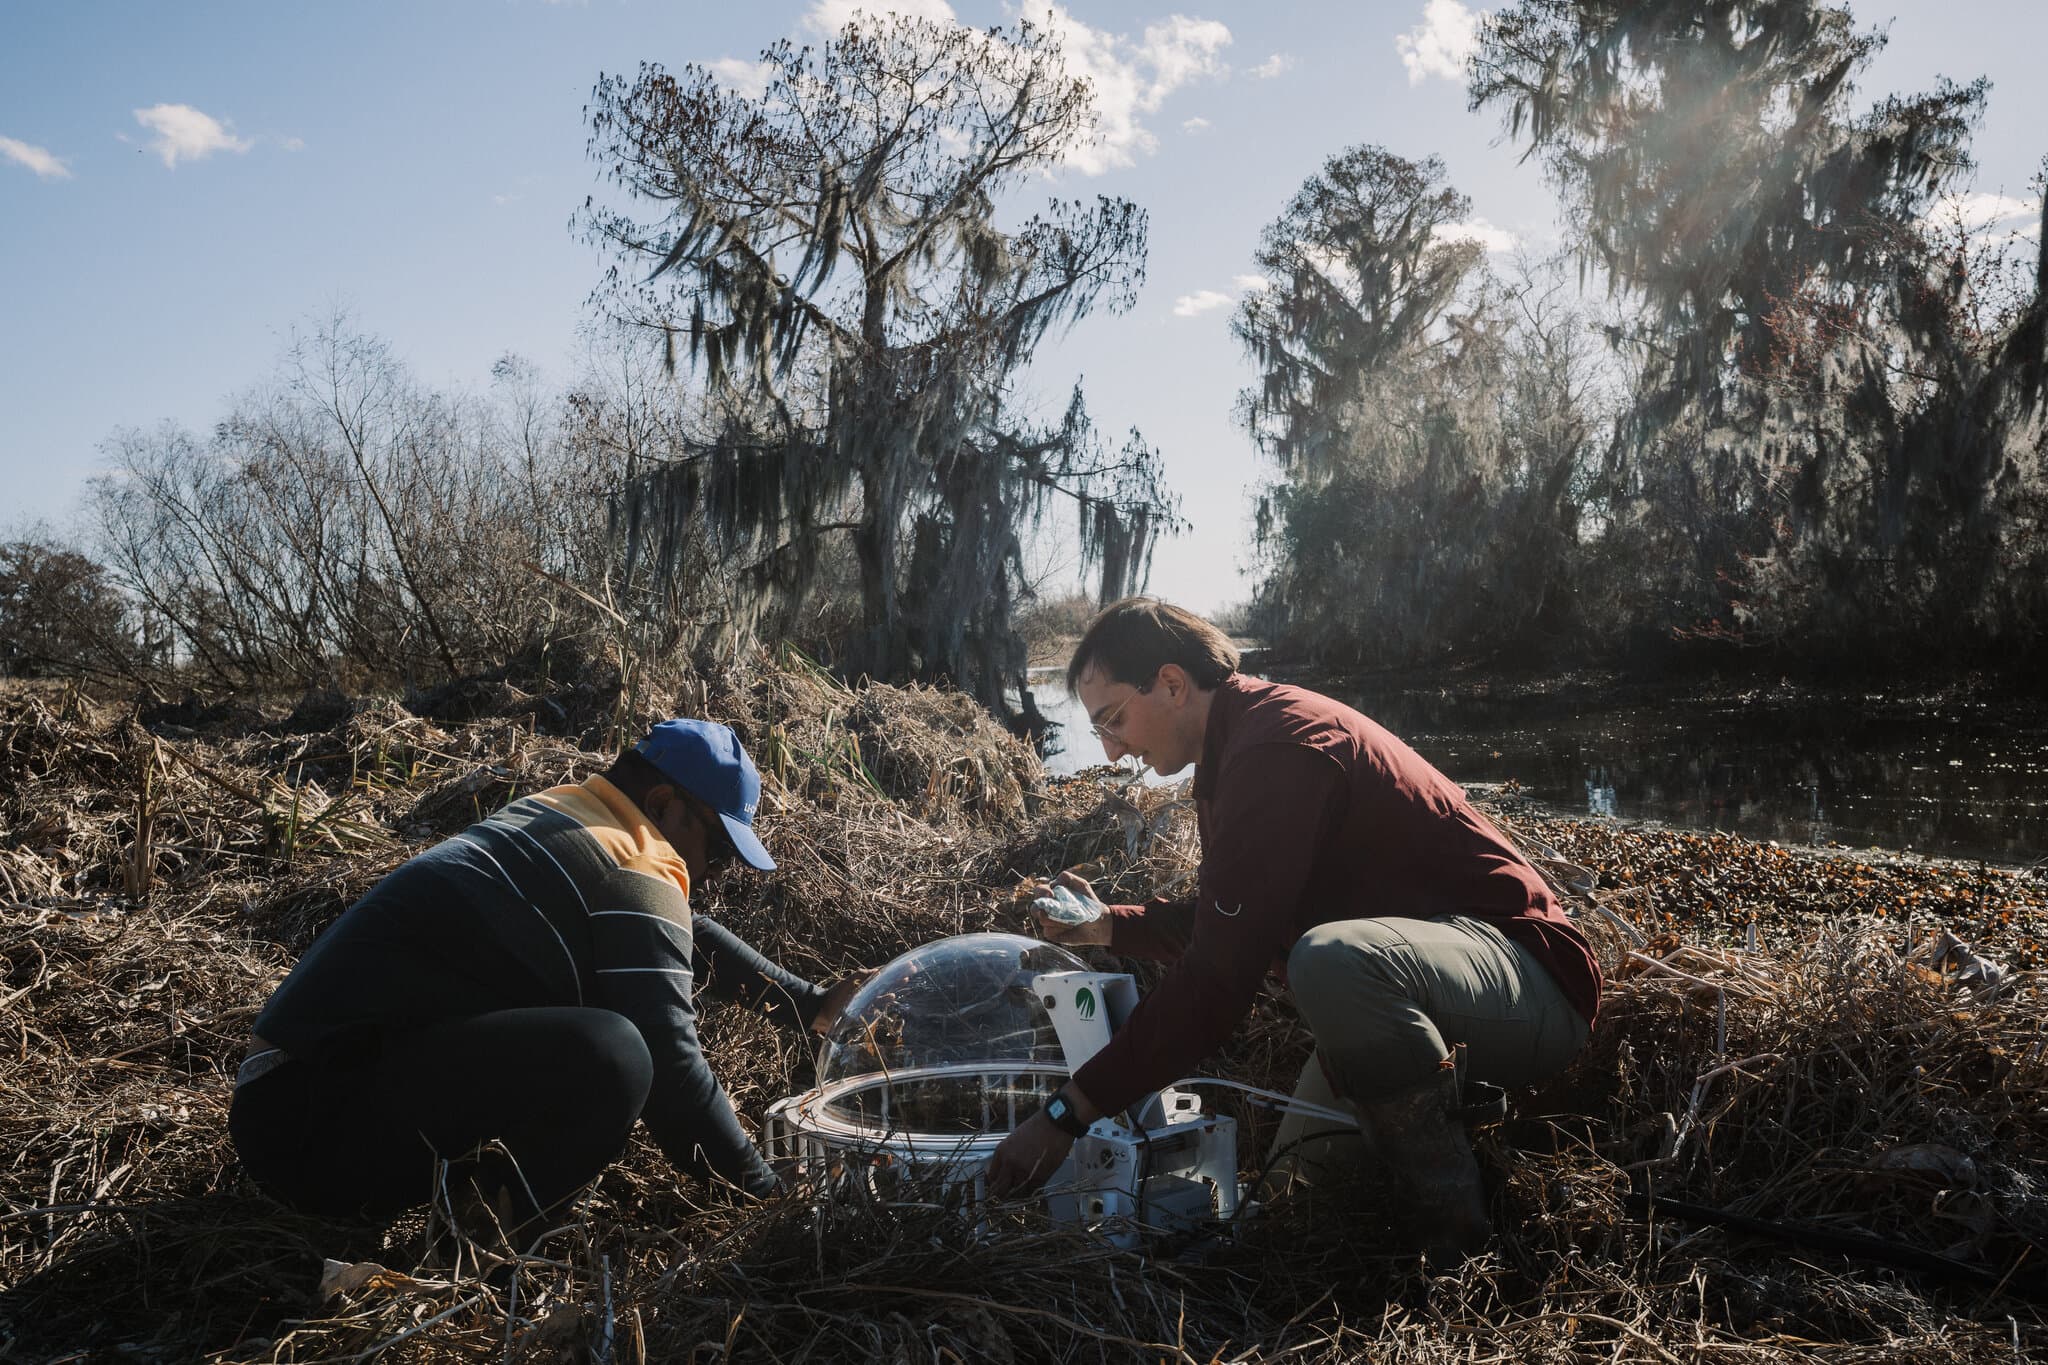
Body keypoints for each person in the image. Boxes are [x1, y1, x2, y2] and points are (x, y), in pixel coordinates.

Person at [987, 600, 1602, 1258]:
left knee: (1329, 960)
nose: (1109, 749)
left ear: (1170, 684)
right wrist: (1109, 924)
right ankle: (1439, 1139)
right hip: (1410, 988)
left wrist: (1066, 1113)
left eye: (1113, 720)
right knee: (1282, 1213)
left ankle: (1457, 1246)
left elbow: (1216, 984)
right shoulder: (1232, 753)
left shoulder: (1275, 744)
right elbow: (1230, 918)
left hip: (1531, 982)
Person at [229, 718, 859, 1240]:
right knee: (615, 1057)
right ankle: (475, 1244)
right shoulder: (638, 861)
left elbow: (684, 932)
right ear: (665, 804)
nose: (715, 873)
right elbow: (672, 1069)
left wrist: (806, 1004)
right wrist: (769, 1197)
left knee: (610, 1049)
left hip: (286, 1096)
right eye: (718, 851)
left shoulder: (569, 815)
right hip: (313, 1127)